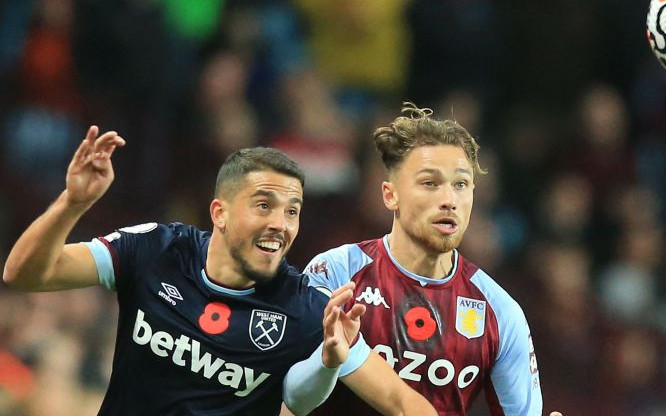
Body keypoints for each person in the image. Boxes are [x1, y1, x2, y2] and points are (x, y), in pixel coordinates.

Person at [3, 126, 437, 416]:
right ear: (220, 213)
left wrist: (328, 361)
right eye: (264, 205)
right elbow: (25, 274)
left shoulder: (308, 309)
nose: (280, 224)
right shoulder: (158, 249)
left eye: (292, 211)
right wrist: (73, 203)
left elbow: (402, 402)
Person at [301, 103, 561, 416]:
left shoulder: (501, 312)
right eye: (430, 183)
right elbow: (291, 394)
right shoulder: (335, 272)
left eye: (461, 184)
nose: (449, 200)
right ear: (390, 194)